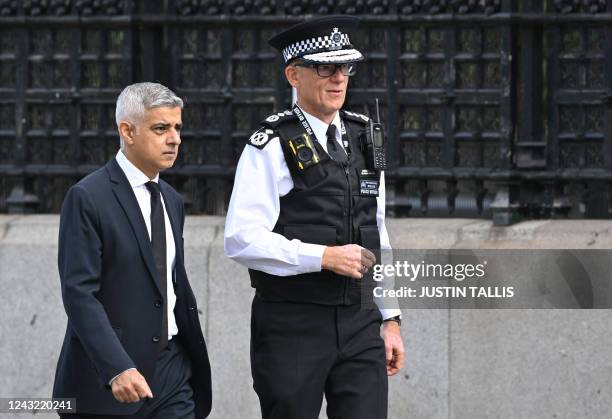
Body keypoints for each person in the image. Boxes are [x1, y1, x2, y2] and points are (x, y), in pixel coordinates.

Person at [224, 16, 404, 419]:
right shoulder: (270, 144)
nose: (339, 78)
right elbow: (240, 238)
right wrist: (322, 256)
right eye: (325, 67)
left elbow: (377, 233)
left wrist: (390, 319)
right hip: (293, 324)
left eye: (346, 67)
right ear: (293, 74)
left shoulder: (363, 136)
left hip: (359, 323)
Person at [53, 82, 211, 419]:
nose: (175, 139)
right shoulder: (87, 197)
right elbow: (79, 294)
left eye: (178, 127)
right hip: (108, 379)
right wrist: (116, 367)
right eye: (161, 128)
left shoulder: (171, 200)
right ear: (127, 131)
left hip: (172, 371)